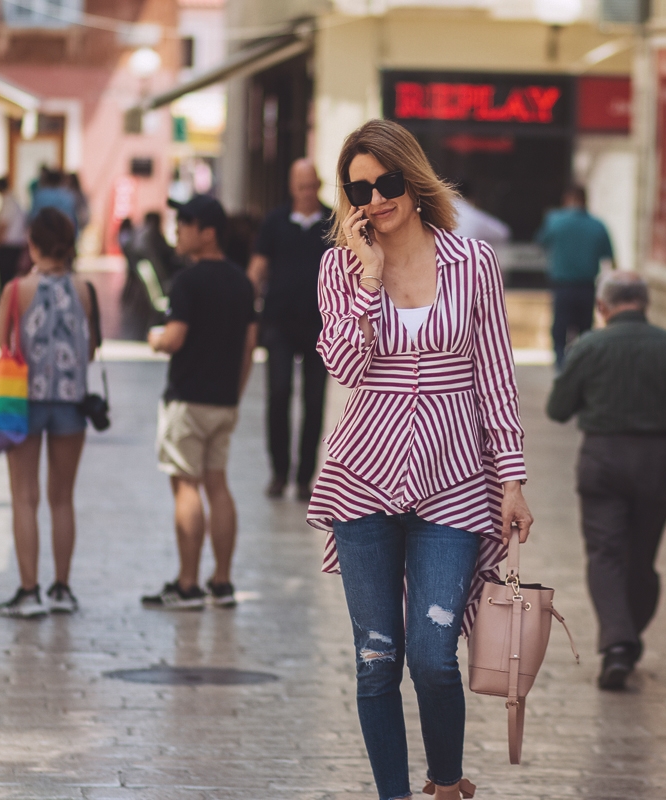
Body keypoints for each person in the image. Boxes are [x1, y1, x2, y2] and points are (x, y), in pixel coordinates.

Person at [306, 119, 534, 800]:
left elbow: (496, 374)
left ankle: (445, 782)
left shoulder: (473, 262)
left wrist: (512, 479)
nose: (376, 199)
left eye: (387, 183)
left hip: (454, 482)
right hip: (363, 482)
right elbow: (345, 366)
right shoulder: (339, 269)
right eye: (359, 190)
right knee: (377, 658)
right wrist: (370, 278)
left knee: (434, 658)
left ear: (412, 178)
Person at [545, 271, 666, 691]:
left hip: (602, 460)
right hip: (658, 463)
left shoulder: (588, 347)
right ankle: (627, 639)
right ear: (646, 305)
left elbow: (558, 409)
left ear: (602, 307)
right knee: (642, 559)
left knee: (605, 554)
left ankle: (618, 643)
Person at [142, 195, 258, 610]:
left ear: (208, 233)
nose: (178, 229)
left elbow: (174, 338)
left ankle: (187, 585)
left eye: (186, 223)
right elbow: (249, 345)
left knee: (186, 486)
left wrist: (155, 338)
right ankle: (222, 582)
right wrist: (235, 393)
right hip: (224, 401)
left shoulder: (187, 281)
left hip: (188, 400)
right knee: (218, 485)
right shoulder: (242, 282)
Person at [0, 208, 98, 618]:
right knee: (62, 498)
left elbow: (3, 343)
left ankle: (28, 591)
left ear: (32, 244)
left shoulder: (16, 289)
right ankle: (62, 588)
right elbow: (90, 348)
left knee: (24, 497)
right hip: (72, 402)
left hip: (23, 400)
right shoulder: (85, 290)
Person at [248, 159, 332, 500]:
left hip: (320, 327)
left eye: (311, 186)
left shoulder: (333, 222)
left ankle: (304, 478)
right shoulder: (275, 222)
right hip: (279, 323)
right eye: (301, 186)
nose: (307, 192)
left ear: (319, 185)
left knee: (314, 402)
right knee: (278, 394)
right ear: (292, 187)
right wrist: (246, 307)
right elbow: (258, 267)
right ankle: (279, 473)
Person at [535, 186, 614, 368]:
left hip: (563, 285)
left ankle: (561, 365)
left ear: (567, 199)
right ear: (585, 200)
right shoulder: (598, 225)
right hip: (587, 286)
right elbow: (609, 258)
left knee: (560, 327)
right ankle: (583, 363)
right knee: (585, 328)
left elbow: (541, 242)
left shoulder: (555, 221)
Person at [452, 179, 510, 255]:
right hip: (468, 258)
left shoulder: (442, 212)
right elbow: (503, 232)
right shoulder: (473, 214)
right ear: (472, 198)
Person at [0, 177, 28, 298]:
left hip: (8, 246)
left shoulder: (9, 202)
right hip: (13, 245)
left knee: (5, 280)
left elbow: (3, 225)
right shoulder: (14, 201)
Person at [31, 167, 79, 242]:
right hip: (63, 236)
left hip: (43, 235)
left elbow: (33, 217)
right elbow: (72, 219)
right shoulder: (67, 196)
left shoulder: (40, 195)